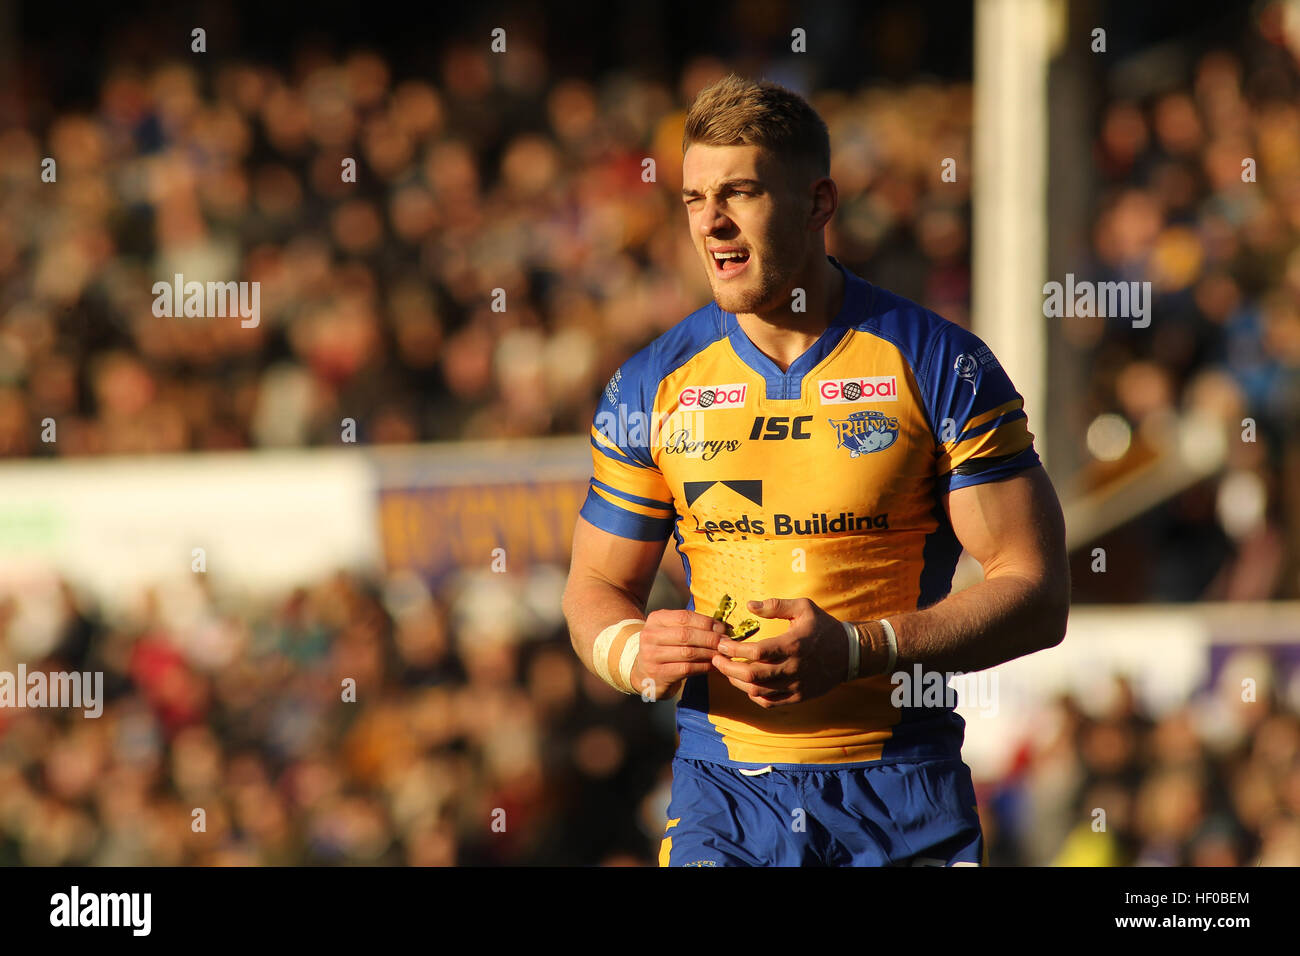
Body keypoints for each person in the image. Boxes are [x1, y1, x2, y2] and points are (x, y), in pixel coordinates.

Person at [561, 74, 1070, 866]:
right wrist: (631, 653)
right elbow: (594, 589)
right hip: (721, 800)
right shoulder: (649, 385)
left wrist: (859, 649)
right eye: (694, 199)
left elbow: (1038, 595)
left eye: (740, 192)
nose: (712, 223)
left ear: (818, 203)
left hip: (901, 795)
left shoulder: (940, 364)